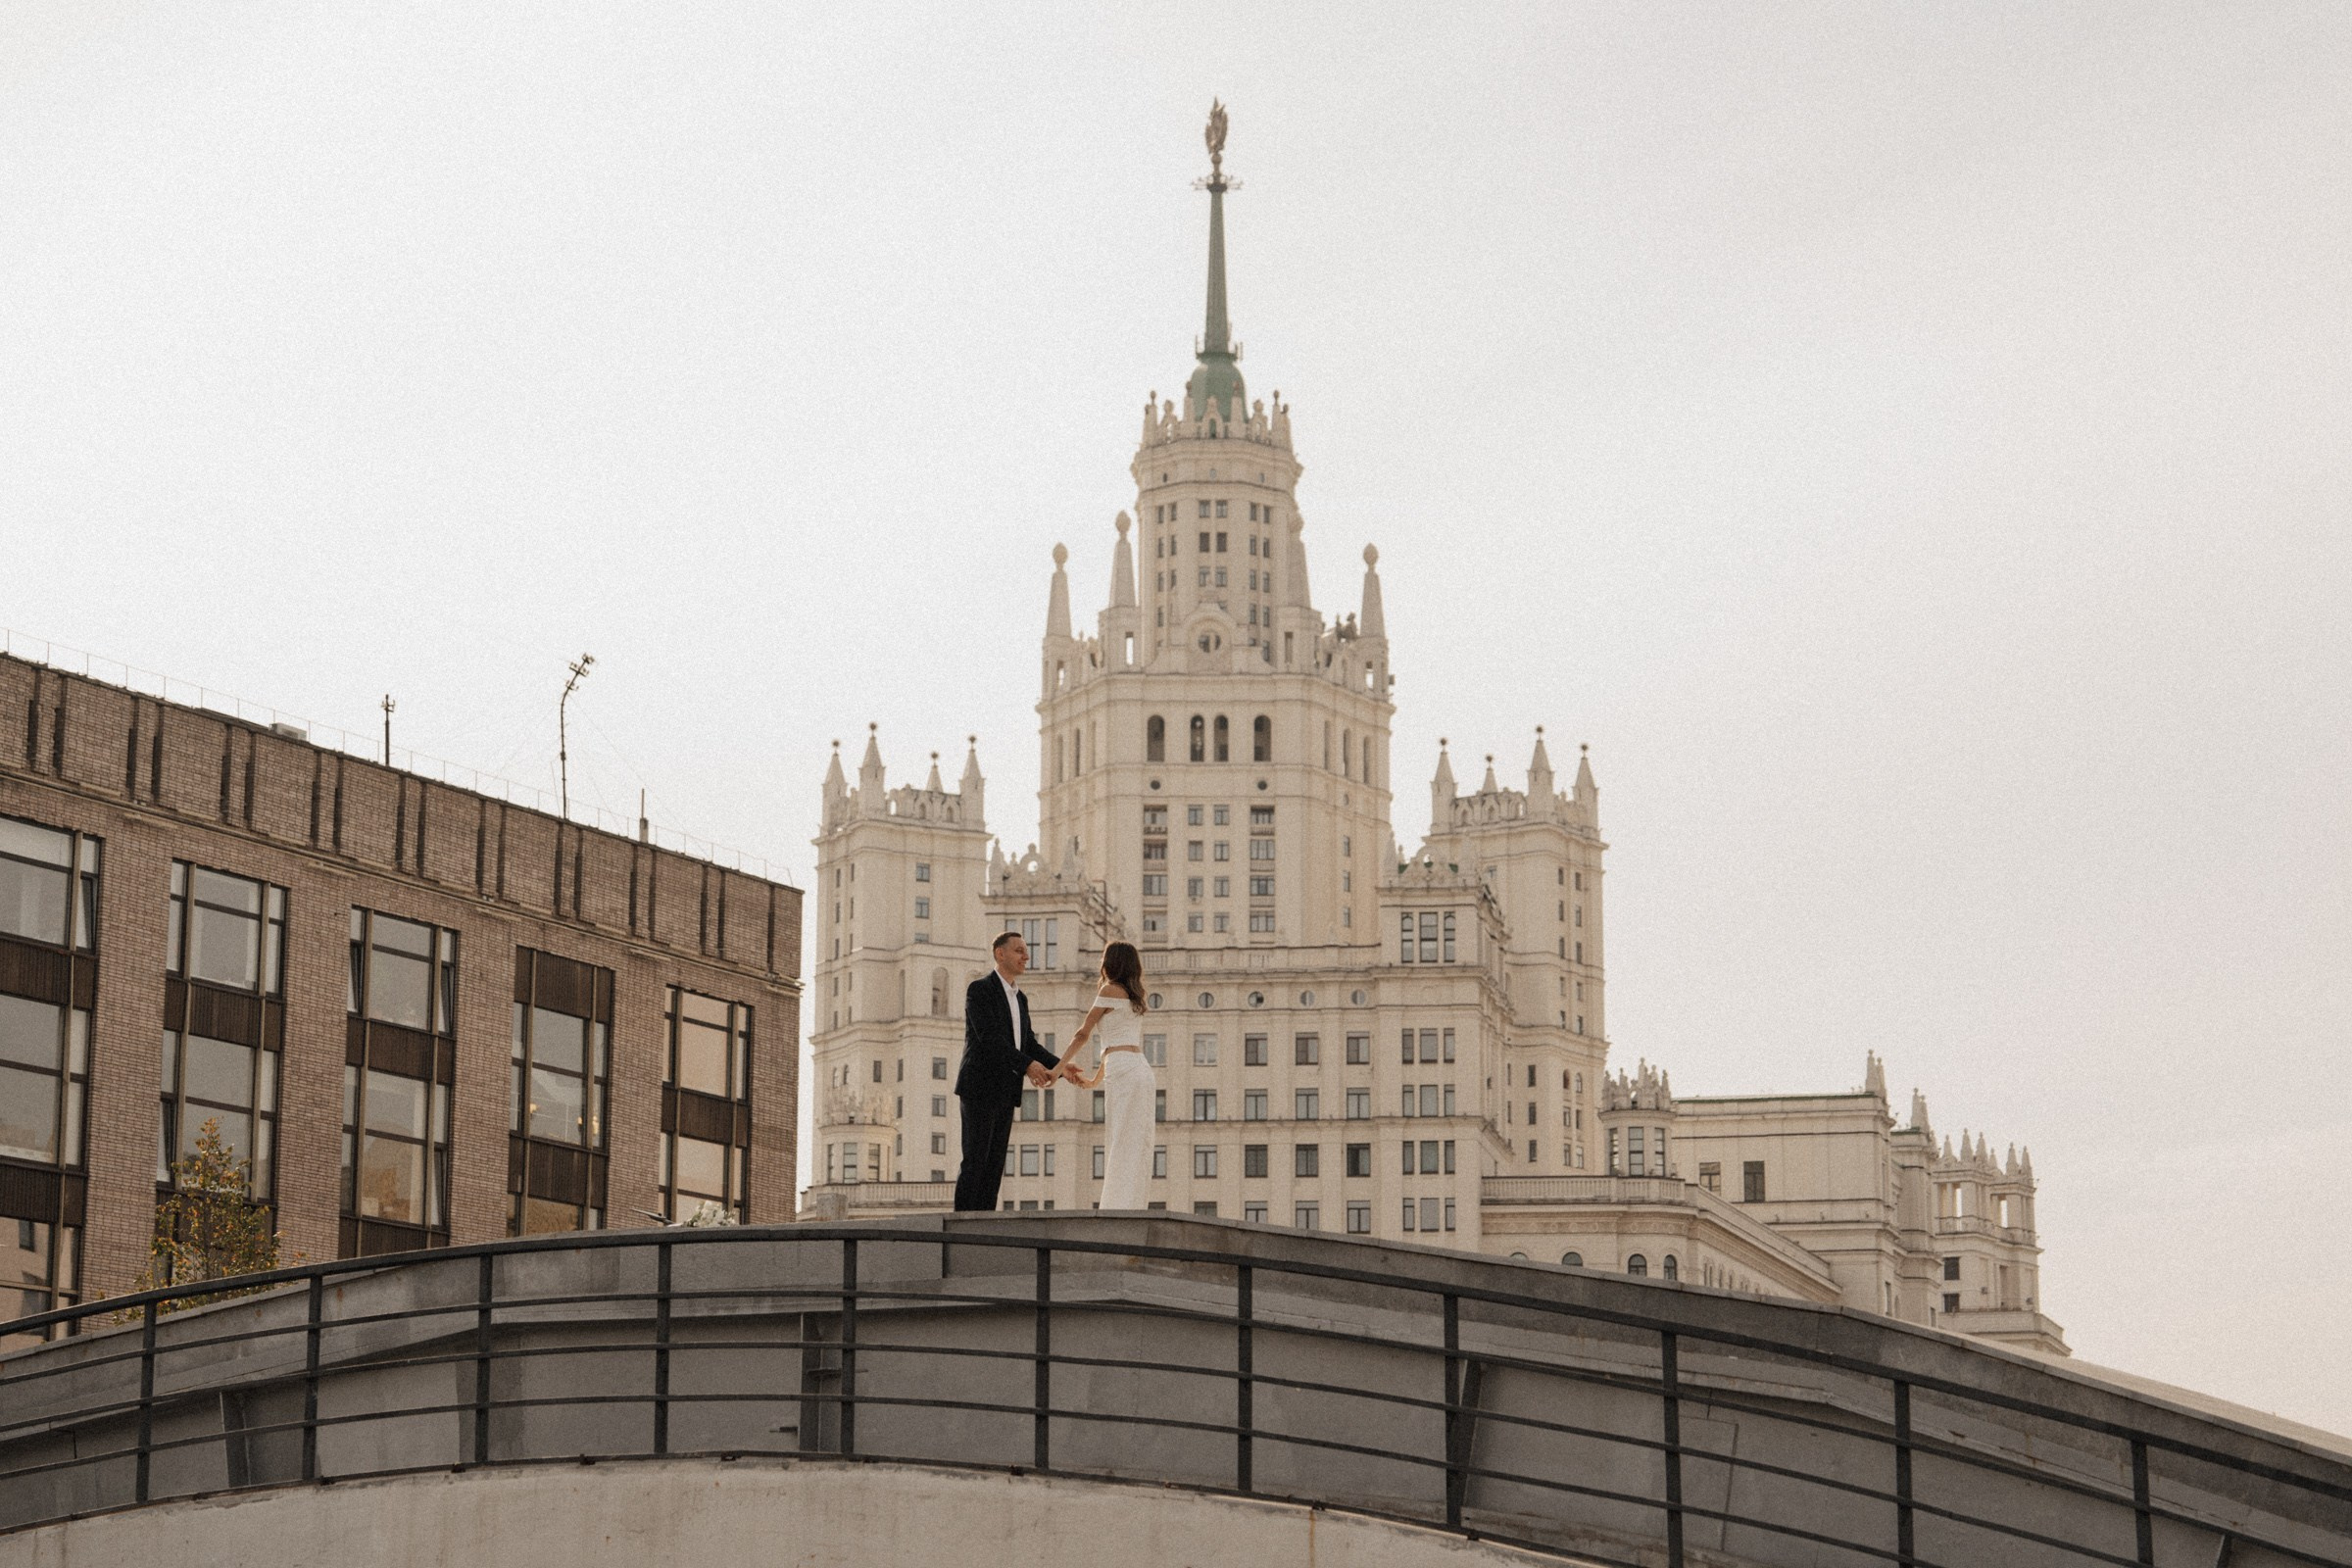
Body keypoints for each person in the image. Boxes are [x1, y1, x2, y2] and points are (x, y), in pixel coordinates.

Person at [952, 931, 1060, 1212]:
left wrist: (1060, 1066)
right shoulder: (979, 990)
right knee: (975, 1161)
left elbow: (1028, 1043)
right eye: (1019, 951)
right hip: (978, 1087)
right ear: (1000, 954)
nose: (1027, 956)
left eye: (1026, 950)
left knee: (994, 1166)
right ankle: (961, 1230)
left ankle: (983, 1227)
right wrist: (1027, 1065)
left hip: (1005, 1090)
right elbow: (989, 1039)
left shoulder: (1020, 998)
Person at [1061, 940, 1152, 1208]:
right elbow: (1117, 1044)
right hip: (1140, 1069)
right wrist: (1093, 1081)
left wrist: (1057, 1067)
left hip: (1124, 1070)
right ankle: (1132, 1205)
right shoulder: (1135, 997)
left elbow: (1083, 1033)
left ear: (1110, 962)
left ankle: (1116, 1207)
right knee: (1137, 1142)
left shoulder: (1109, 989)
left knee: (1120, 1139)